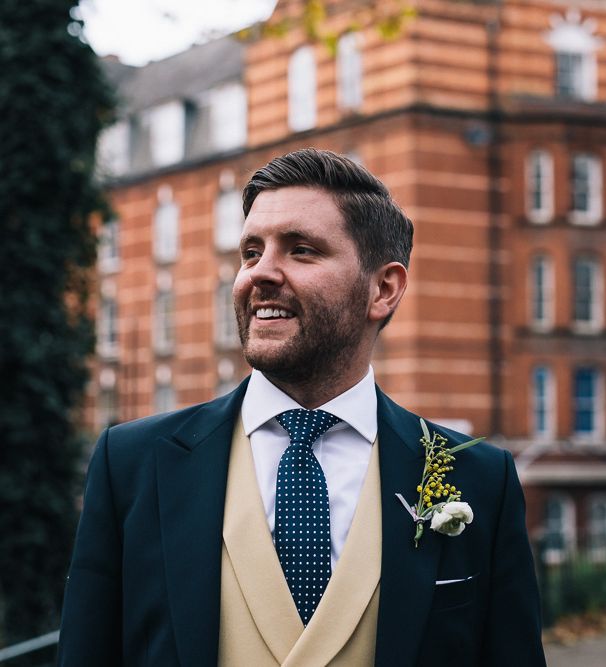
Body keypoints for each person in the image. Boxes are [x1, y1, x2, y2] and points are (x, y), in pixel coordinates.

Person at [57, 149, 546, 666]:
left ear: (383, 289)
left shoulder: (479, 478)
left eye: (302, 250)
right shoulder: (132, 463)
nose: (259, 275)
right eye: (250, 252)